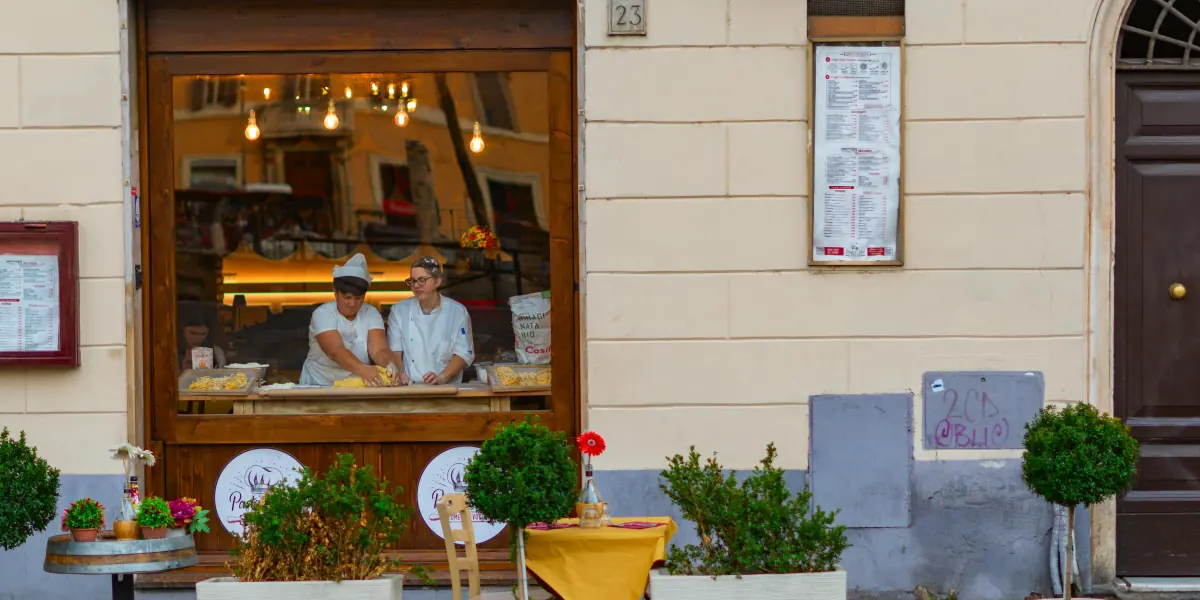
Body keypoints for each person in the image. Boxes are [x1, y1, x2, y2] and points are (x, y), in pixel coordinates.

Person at [299, 253, 401, 387]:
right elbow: (335, 350)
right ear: (335, 292)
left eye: (358, 298)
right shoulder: (323, 314)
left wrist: (389, 365)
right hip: (319, 383)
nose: (353, 304)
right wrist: (363, 369)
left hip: (356, 383)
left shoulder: (370, 313)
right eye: (347, 297)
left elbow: (378, 349)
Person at [387, 256, 475, 385]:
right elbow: (394, 350)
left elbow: (463, 353)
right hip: (410, 386)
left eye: (422, 280)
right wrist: (400, 375)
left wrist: (442, 378)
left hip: (447, 387)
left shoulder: (457, 311)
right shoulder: (399, 310)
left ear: (438, 281)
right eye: (412, 281)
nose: (416, 285)